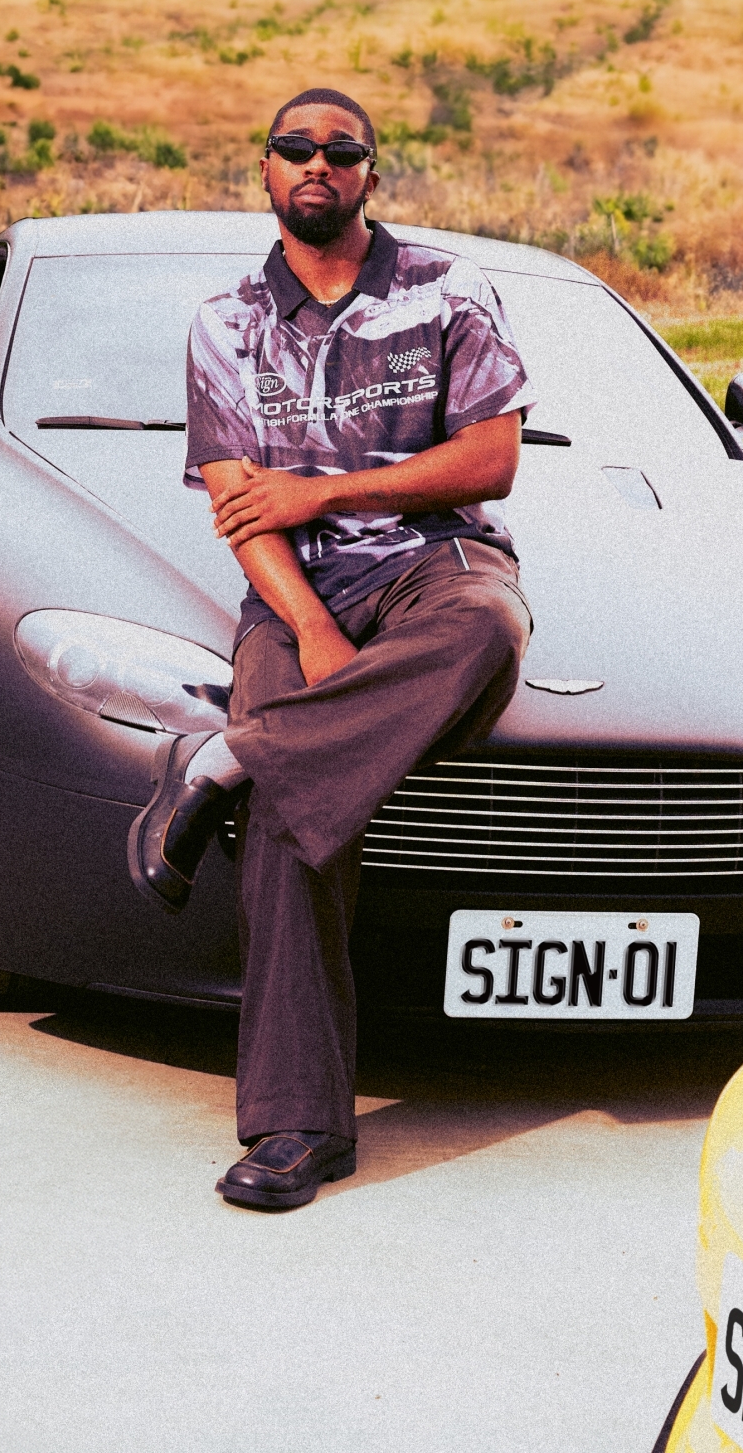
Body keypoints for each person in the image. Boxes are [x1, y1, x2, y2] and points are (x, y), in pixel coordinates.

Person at [127, 87, 536, 1210]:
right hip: (292, 590)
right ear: (264, 168)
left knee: (490, 625)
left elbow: (490, 461)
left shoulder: (449, 289)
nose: (317, 163)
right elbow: (240, 509)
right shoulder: (224, 324)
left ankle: (225, 760)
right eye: (294, 147)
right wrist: (309, 628)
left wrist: (324, 490)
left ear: (370, 173)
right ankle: (298, 1128)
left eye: (340, 150)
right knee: (291, 809)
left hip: (431, 563)